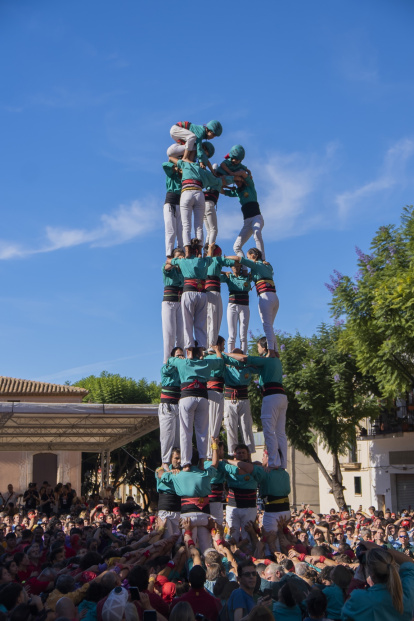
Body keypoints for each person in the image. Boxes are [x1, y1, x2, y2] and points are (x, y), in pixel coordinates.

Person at [166, 345, 231, 467]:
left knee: (186, 432)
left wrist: (183, 356)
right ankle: (202, 461)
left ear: (189, 352)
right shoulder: (205, 363)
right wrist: (217, 350)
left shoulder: (182, 362)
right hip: (202, 399)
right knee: (202, 431)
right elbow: (220, 361)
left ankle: (186, 463)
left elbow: (169, 360)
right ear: (199, 353)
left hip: (187, 398)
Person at [228, 337, 288, 469]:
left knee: (269, 431)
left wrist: (226, 354)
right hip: (281, 396)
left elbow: (244, 359)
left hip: (271, 397)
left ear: (264, 347)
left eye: (258, 346)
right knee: (280, 433)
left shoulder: (265, 360)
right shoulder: (276, 360)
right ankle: (283, 463)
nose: (257, 349)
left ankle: (273, 462)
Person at [168, 156, 234, 253]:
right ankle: (200, 251)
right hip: (200, 195)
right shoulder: (205, 173)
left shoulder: (186, 165)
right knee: (203, 227)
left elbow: (170, 157)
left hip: (187, 192)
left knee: (186, 225)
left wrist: (183, 160)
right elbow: (220, 182)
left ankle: (187, 251)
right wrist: (235, 178)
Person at [341, 542, 414, 620]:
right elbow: (410, 563)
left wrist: (358, 578)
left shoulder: (359, 598)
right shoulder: (406, 594)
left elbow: (345, 616)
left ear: (371, 573)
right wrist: (382, 550)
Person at [226, 249, 279, 356]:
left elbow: (238, 259)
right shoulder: (268, 266)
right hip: (274, 297)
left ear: (253, 256)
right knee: (270, 327)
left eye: (249, 256)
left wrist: (225, 258)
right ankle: (276, 351)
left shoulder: (256, 265)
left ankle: (271, 352)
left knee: (267, 326)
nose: (248, 258)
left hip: (265, 296)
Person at [167, 238, 213, 352]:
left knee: (187, 324)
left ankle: (190, 351)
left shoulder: (183, 261)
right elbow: (210, 257)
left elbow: (168, 262)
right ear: (198, 251)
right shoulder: (204, 261)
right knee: (201, 324)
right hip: (202, 294)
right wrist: (210, 248)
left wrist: (178, 258)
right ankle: (202, 350)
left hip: (188, 293)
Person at [223, 175, 265, 259]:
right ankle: (244, 269)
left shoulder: (250, 186)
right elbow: (222, 191)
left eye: (239, 181)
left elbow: (245, 174)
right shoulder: (237, 192)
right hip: (247, 222)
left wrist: (236, 175)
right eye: (236, 182)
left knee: (256, 233)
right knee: (236, 247)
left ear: (242, 180)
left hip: (256, 217)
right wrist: (224, 185)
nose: (237, 183)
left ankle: (262, 259)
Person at [223, 353, 256, 454]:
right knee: (231, 428)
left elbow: (258, 366)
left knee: (246, 427)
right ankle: (233, 454)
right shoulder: (226, 367)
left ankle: (249, 453)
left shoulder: (247, 368)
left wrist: (249, 362)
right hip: (230, 400)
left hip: (243, 399)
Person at [204, 245, 235, 349]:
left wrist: (222, 272)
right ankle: (211, 346)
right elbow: (232, 262)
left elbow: (216, 275)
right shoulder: (216, 260)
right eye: (220, 254)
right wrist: (224, 258)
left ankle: (207, 345)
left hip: (205, 293)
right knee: (214, 321)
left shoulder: (203, 262)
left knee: (208, 321)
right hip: (213, 293)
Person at [158, 348, 184, 470]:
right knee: (167, 436)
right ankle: (165, 462)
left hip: (179, 405)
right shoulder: (166, 368)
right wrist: (176, 362)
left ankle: (178, 461)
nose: (180, 358)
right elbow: (168, 369)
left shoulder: (182, 370)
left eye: (182, 355)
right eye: (178, 356)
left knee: (180, 436)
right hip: (167, 406)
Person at [221, 262, 252, 353]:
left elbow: (255, 272)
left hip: (244, 305)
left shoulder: (247, 277)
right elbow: (215, 274)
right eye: (234, 266)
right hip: (232, 305)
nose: (236, 268)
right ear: (231, 267)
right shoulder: (229, 277)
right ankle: (231, 355)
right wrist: (224, 272)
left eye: (238, 266)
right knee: (232, 333)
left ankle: (244, 354)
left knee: (243, 334)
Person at [162, 249, 184, 363]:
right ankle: (168, 362)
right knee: (169, 334)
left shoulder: (184, 271)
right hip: (169, 302)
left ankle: (181, 361)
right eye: (178, 256)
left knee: (181, 335)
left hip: (181, 302)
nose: (180, 259)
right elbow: (167, 268)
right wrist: (174, 261)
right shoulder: (169, 267)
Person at [156, 448, 182, 537]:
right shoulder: (160, 468)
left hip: (178, 509)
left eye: (180, 459)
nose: (179, 461)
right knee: (166, 539)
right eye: (176, 458)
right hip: (165, 509)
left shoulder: (183, 471)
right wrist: (170, 472)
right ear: (170, 458)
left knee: (178, 540)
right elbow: (160, 474)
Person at [162, 161, 183, 258]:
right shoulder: (171, 173)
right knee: (171, 230)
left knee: (181, 231)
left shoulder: (185, 175)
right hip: (170, 202)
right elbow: (165, 165)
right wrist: (175, 167)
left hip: (181, 203)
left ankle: (181, 253)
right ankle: (169, 255)